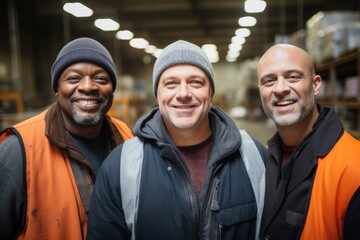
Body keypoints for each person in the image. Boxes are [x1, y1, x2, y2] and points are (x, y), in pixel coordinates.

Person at [86, 40, 267, 240]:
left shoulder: (254, 155)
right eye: (171, 83)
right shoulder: (120, 167)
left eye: (195, 82)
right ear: (158, 93)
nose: (183, 94)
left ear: (211, 92)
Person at [0, 37, 134, 239]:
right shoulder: (18, 150)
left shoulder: (126, 136)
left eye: (101, 79)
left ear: (112, 90)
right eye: (73, 78)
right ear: (57, 88)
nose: (88, 87)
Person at [257, 43, 360, 240]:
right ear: (260, 90)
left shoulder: (354, 166)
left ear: (315, 85)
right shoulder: (267, 155)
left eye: (293, 77)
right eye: (269, 80)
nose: (280, 89)